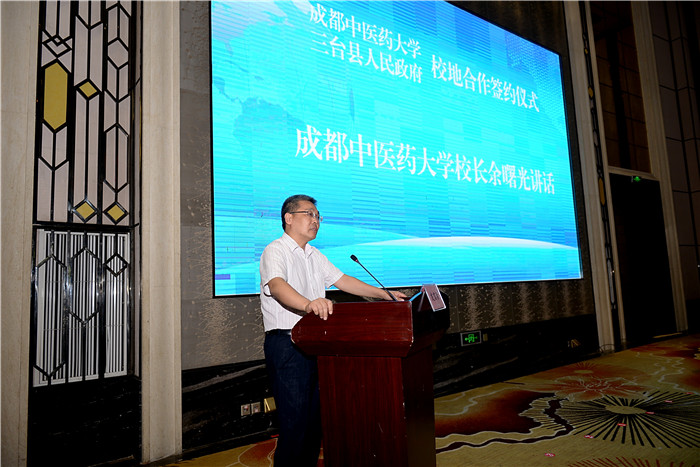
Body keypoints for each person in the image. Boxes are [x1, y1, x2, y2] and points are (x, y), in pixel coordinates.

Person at [259, 194, 407, 466]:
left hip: (316, 344)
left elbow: (343, 280)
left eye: (318, 216)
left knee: (314, 423)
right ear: (288, 218)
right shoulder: (275, 250)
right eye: (309, 214)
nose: (315, 220)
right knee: (294, 424)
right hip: (287, 345)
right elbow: (277, 286)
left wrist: (383, 294)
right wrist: (309, 305)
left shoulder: (314, 255)